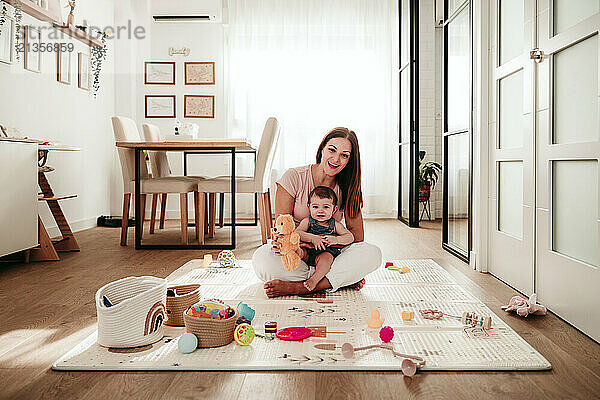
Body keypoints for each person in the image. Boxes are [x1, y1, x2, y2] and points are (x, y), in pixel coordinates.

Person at [252, 127, 382, 298]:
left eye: (344, 155)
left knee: (372, 254)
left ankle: (301, 287)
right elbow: (282, 226)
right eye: (332, 150)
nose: (336, 159)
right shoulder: (294, 176)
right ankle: (332, 280)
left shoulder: (349, 187)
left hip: (330, 254)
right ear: (322, 148)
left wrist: (328, 242)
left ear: (349, 161)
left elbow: (356, 237)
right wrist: (293, 244)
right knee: (262, 258)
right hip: (298, 252)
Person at [296, 186, 354, 291]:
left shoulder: (335, 224)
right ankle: (295, 257)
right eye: (315, 207)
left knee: (326, 259)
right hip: (308, 252)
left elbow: (350, 237)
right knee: (299, 251)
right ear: (309, 207)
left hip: (324, 253)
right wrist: (312, 238)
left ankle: (315, 279)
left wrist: (336, 240)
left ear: (334, 209)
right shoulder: (307, 222)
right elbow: (297, 233)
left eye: (326, 207)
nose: (320, 211)